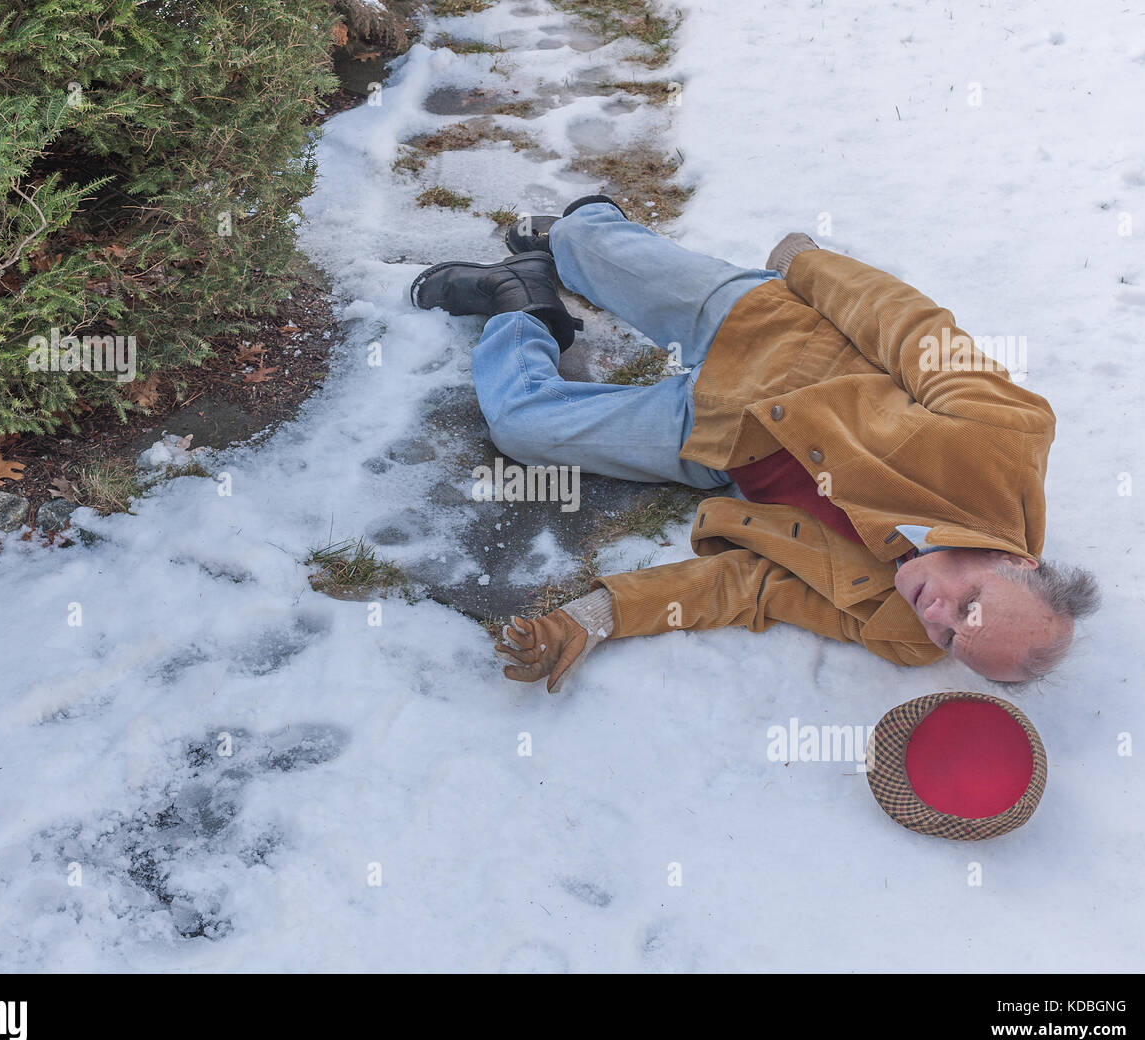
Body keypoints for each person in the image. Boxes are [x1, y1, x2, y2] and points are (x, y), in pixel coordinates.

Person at [410, 195, 1100, 693]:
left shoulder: (902, 631)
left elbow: (755, 588)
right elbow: (910, 329)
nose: (937, 617)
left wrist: (600, 615)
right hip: (773, 343)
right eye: (970, 603)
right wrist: (808, 265)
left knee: (523, 428)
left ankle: (521, 301)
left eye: (954, 638)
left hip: (722, 442)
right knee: (583, 245)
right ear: (1015, 559)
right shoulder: (1005, 438)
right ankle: (584, 226)